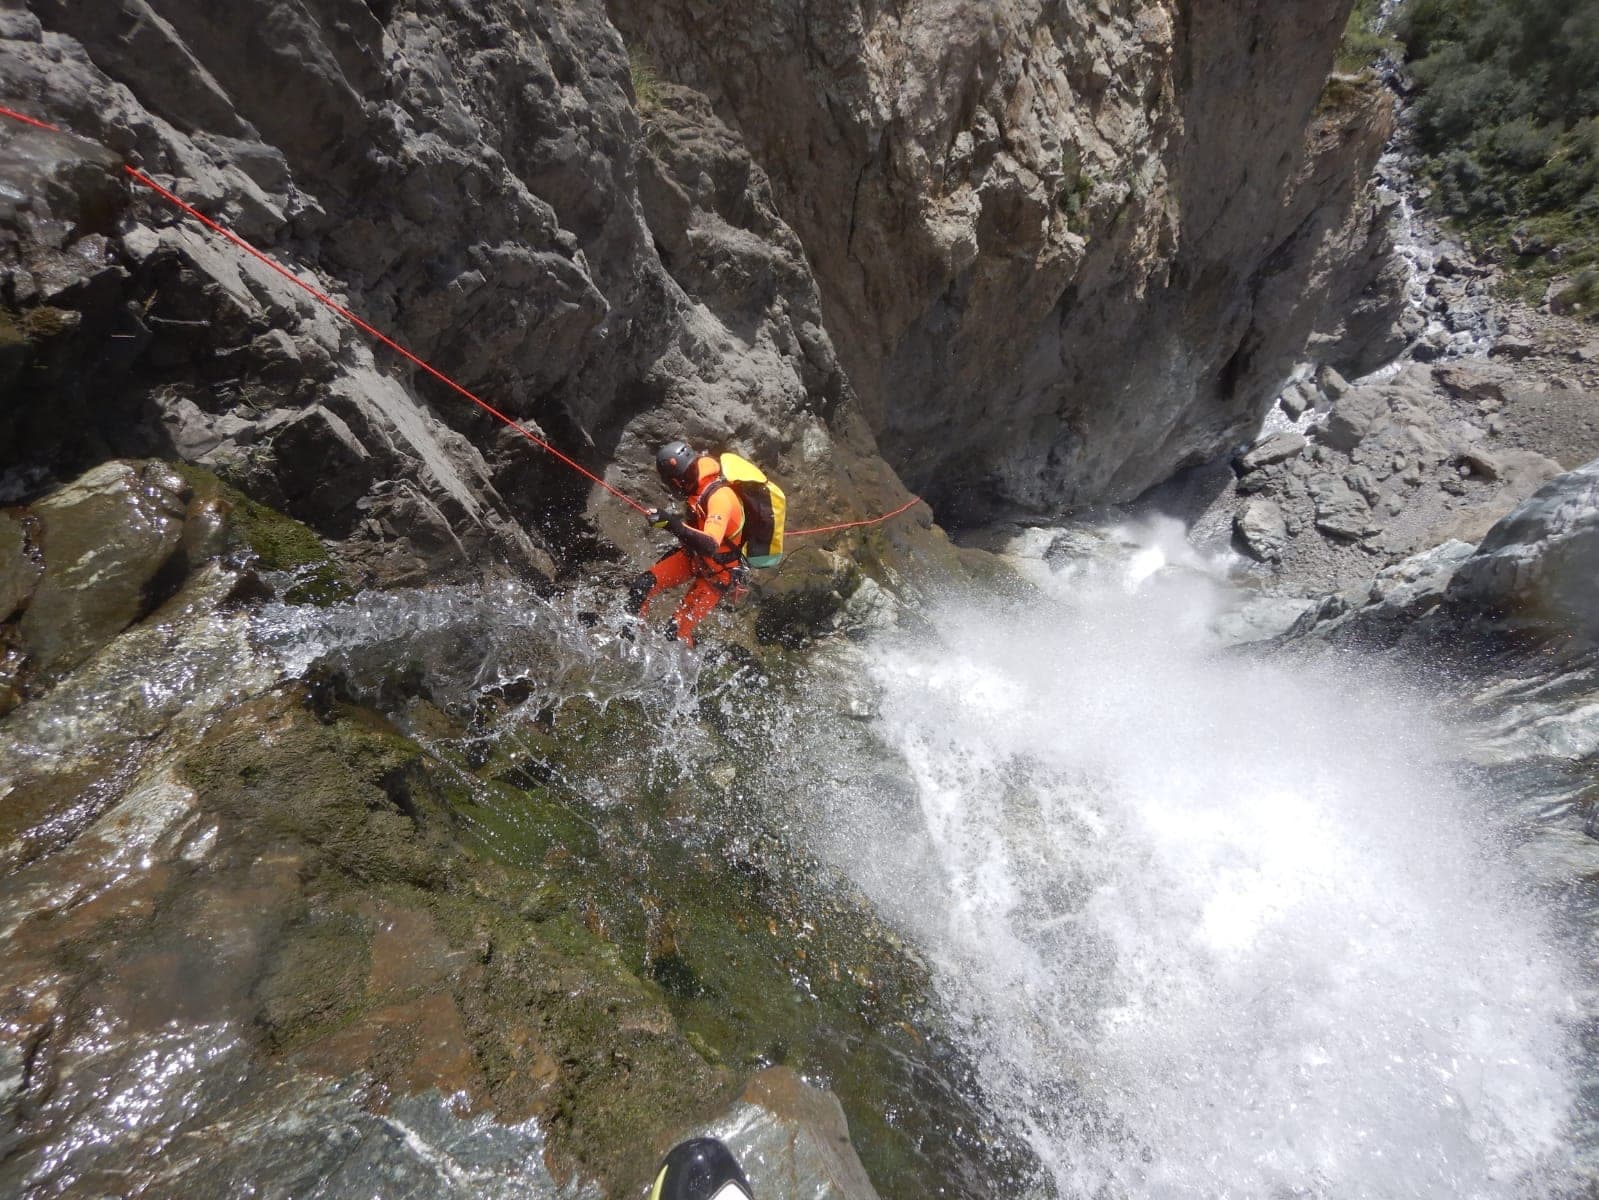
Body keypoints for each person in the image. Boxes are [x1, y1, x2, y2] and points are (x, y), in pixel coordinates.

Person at [626, 441, 747, 647]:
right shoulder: (697, 490)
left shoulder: (720, 497)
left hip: (718, 574)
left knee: (674, 634)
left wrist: (671, 524)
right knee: (642, 587)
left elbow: (710, 544)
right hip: (694, 558)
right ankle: (631, 640)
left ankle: (691, 654)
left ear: (677, 481)